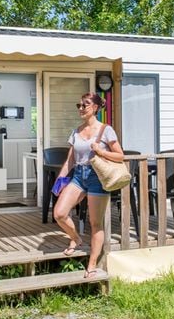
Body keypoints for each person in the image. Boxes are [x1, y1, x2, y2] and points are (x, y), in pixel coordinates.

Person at [53, 92, 124, 278]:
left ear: (95, 107)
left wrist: (101, 151)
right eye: (79, 105)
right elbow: (70, 160)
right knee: (59, 213)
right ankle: (76, 238)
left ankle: (92, 264)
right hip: (78, 176)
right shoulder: (76, 131)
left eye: (85, 105)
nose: (81, 108)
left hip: (97, 177)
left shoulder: (106, 130)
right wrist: (60, 181)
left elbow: (120, 156)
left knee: (95, 223)